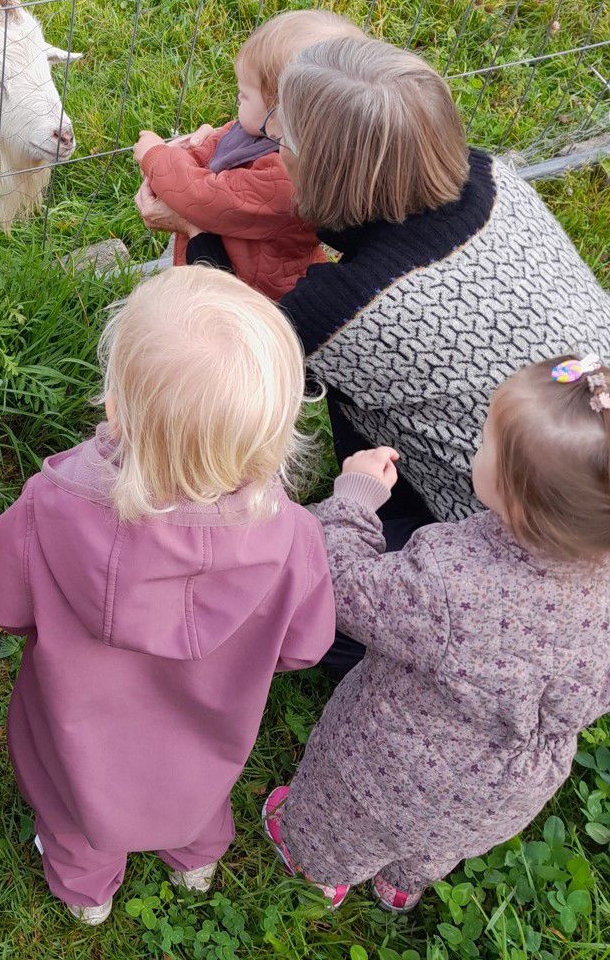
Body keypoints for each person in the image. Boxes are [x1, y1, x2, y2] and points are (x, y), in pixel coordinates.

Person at [166, 36, 610, 673]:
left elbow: (236, 344)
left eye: (283, 139)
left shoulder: (346, 307)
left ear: (323, 170)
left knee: (272, 600)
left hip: (511, 537)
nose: (271, 145)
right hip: (591, 462)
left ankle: (377, 638)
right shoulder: (488, 175)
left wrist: (198, 230)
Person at [0, 266, 336, 925]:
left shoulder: (51, 506)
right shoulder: (294, 538)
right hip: (206, 737)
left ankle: (88, 892)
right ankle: (195, 859)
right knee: (197, 793)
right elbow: (305, 647)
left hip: (76, 729)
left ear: (115, 407)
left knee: (73, 808)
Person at [263, 354, 610, 912]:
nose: (478, 443)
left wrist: (353, 501)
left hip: (394, 768)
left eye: (487, 440)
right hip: (501, 793)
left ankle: (315, 865)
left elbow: (345, 589)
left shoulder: (453, 581)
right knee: (439, 839)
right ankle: (403, 883)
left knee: (342, 819)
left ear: (519, 498)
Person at [131, 9, 363, 299]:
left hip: (257, 294)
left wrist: (155, 156)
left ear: (281, 113)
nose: (237, 98)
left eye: (245, 94)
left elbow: (200, 196)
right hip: (223, 269)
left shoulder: (283, 179)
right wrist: (186, 155)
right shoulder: (256, 134)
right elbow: (214, 147)